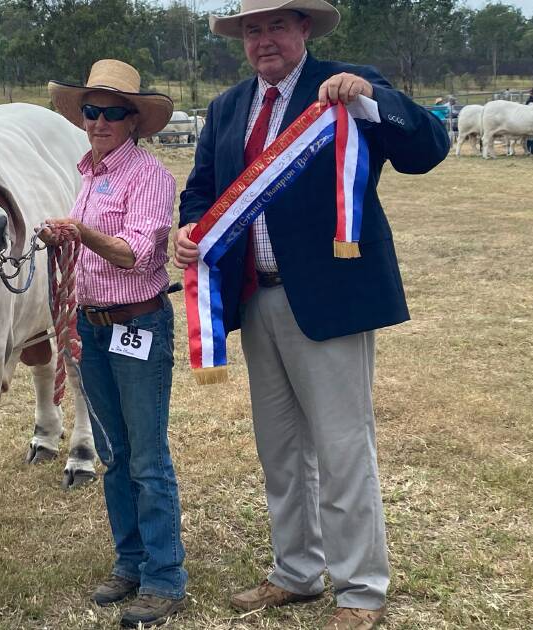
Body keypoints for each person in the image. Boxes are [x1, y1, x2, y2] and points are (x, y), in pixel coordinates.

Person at [173, 1, 449, 629]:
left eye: (275, 26)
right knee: (280, 448)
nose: (263, 40)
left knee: (343, 444)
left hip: (329, 296)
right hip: (254, 295)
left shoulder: (349, 85)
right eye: (251, 30)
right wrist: (189, 227)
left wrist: (371, 102)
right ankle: (295, 571)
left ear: (303, 30)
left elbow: (428, 149)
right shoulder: (227, 107)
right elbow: (203, 187)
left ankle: (360, 589)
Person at [43, 59, 187, 628]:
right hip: (94, 326)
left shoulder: (149, 176)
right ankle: (130, 562)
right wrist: (62, 238)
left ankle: (164, 576)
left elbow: (137, 255)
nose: (98, 120)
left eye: (111, 112)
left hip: (137, 324)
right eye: (91, 110)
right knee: (114, 455)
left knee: (147, 458)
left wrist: (82, 233)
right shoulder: (90, 173)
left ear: (134, 120)